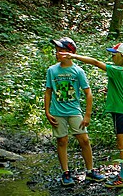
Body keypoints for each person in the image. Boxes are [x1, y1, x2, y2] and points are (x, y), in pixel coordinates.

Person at [60, 43, 123, 188]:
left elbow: (95, 62)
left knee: (122, 145)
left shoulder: (118, 70)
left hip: (121, 112)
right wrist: (110, 90)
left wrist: (74, 56)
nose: (112, 57)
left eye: (114, 54)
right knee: (122, 144)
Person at [45, 37, 106, 186]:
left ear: (70, 53)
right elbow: (48, 92)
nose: (57, 53)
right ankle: (66, 173)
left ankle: (90, 171)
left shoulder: (78, 71)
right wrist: (47, 112)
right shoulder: (52, 70)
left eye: (61, 50)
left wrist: (87, 114)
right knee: (62, 140)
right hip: (57, 111)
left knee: (84, 140)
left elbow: (88, 93)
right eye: (57, 50)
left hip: (74, 111)